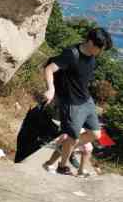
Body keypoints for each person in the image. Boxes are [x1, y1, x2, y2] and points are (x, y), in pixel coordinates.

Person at [42, 26, 112, 176]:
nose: (101, 52)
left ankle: (65, 147)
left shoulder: (92, 56)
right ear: (91, 43)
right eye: (100, 48)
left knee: (95, 134)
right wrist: (51, 89)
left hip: (87, 100)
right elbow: (49, 69)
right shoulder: (71, 54)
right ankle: (62, 166)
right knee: (72, 137)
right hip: (72, 103)